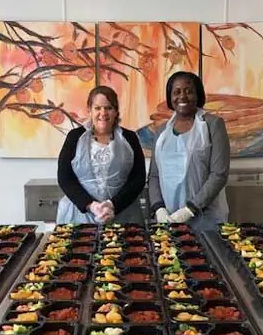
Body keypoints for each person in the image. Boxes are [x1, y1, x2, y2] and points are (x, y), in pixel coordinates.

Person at [148, 71, 230, 230]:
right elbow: (154, 175)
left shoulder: (213, 125)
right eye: (176, 92)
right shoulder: (161, 132)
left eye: (188, 91)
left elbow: (219, 174)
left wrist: (189, 209)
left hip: (205, 218)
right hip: (169, 219)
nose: (182, 96)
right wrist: (158, 208)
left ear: (198, 94)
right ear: (170, 97)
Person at [56, 85, 146, 224]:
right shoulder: (74, 137)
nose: (103, 113)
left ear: (116, 111)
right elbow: (65, 177)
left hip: (123, 214)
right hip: (80, 215)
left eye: (109, 108)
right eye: (97, 108)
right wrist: (91, 205)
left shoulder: (130, 138)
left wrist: (112, 205)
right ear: (89, 111)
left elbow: (138, 179)